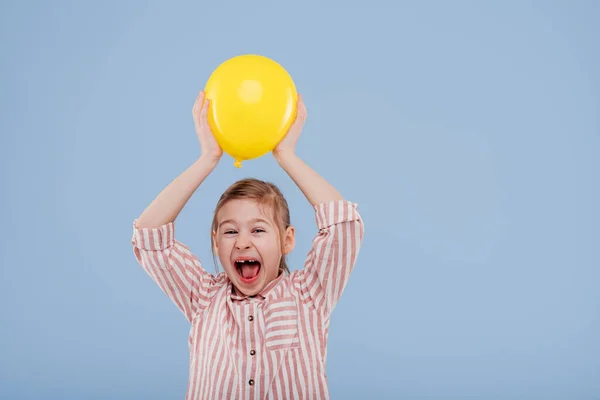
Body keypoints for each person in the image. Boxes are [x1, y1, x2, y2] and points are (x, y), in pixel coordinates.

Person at [131, 89, 364, 399]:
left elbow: (343, 226)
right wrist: (207, 158)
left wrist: (287, 156)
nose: (242, 242)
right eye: (229, 232)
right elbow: (150, 235)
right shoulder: (203, 298)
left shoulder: (310, 294)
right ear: (215, 242)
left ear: (287, 240)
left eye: (258, 230)